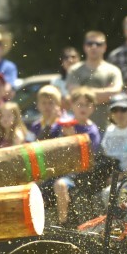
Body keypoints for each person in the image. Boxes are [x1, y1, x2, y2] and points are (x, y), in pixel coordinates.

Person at [53, 87, 101, 224]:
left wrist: (72, 137)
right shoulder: (63, 123)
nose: (83, 108)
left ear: (93, 108)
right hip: (59, 168)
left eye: (87, 104)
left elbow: (88, 156)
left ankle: (62, 222)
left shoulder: (92, 130)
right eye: (79, 104)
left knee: (60, 185)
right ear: (72, 106)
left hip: (78, 174)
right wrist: (53, 119)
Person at [66, 31, 124, 129]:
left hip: (106, 126)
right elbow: (74, 93)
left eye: (98, 44)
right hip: (77, 127)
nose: (94, 47)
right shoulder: (74, 70)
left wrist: (83, 93)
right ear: (84, 47)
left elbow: (115, 93)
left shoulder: (113, 70)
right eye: (90, 44)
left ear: (104, 47)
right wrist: (104, 93)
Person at [101, 93, 127, 171]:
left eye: (123, 109)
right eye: (115, 110)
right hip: (111, 173)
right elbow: (106, 153)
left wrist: (123, 175)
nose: (119, 114)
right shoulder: (110, 130)